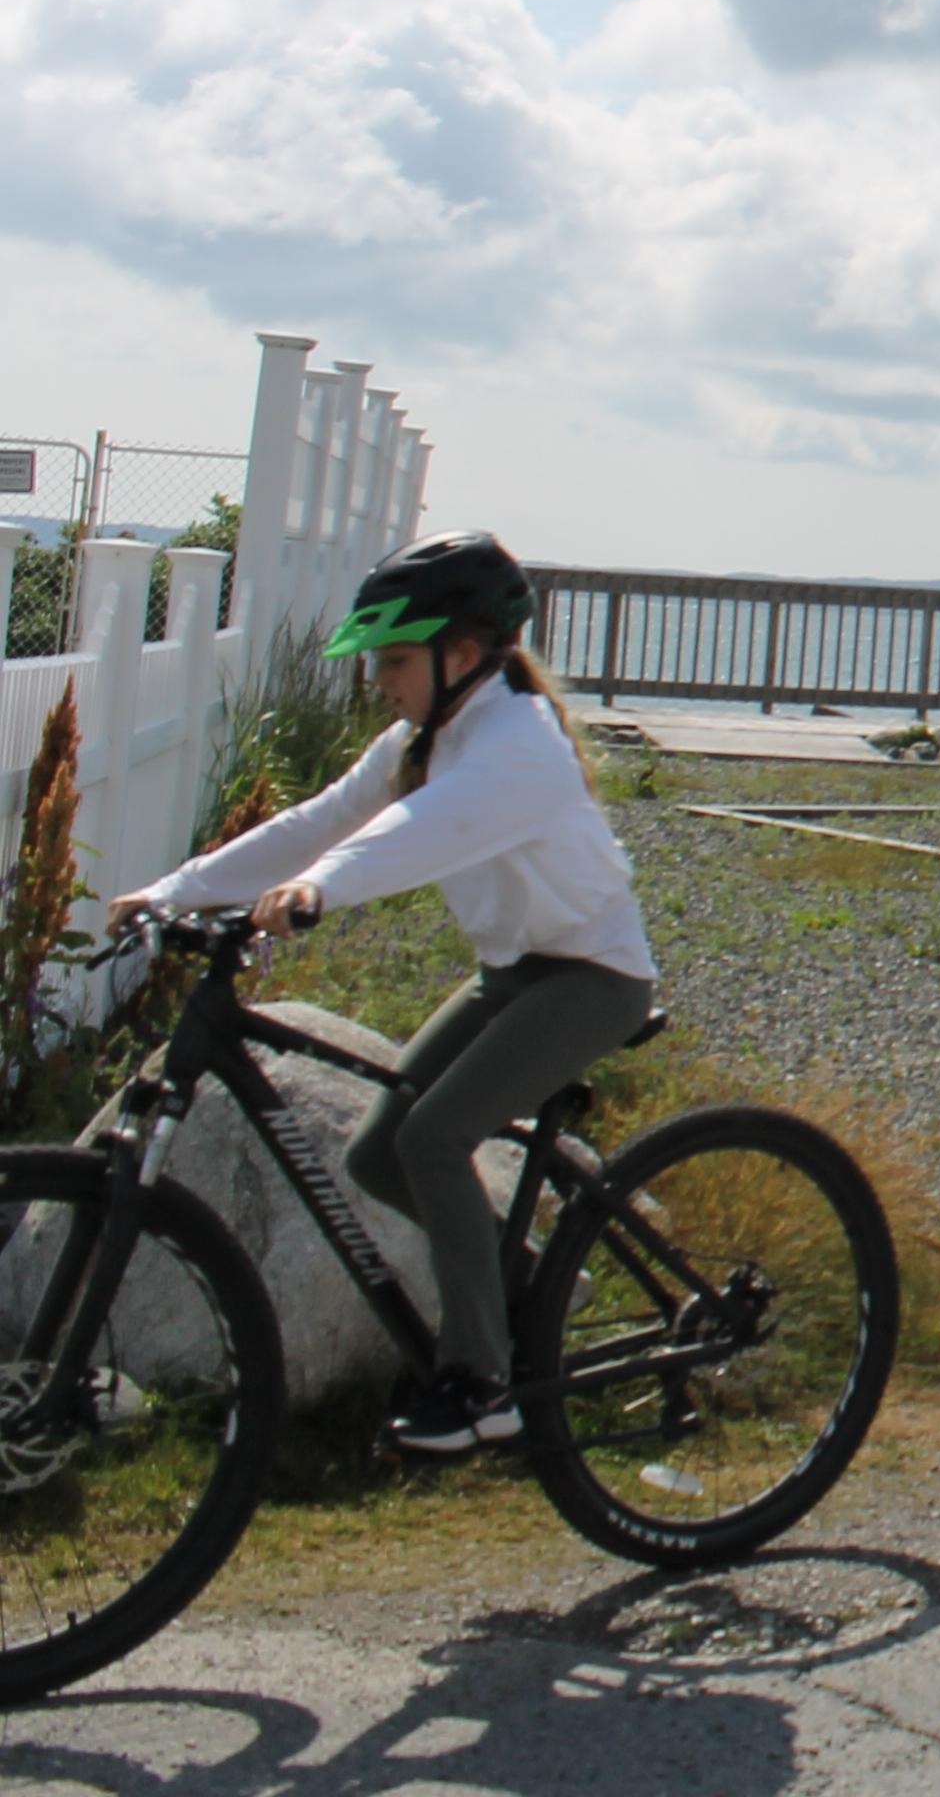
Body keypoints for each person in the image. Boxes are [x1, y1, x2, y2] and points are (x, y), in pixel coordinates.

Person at [112, 533, 656, 1456]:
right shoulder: (423, 738)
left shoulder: (517, 742)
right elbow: (321, 819)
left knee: (436, 1138)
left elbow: (421, 830)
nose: (379, 679)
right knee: (378, 1155)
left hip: (595, 979)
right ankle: (530, 1286)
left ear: (466, 654)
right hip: (514, 973)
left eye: (395, 660)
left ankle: (483, 1387)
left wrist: (324, 887)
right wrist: (178, 888)